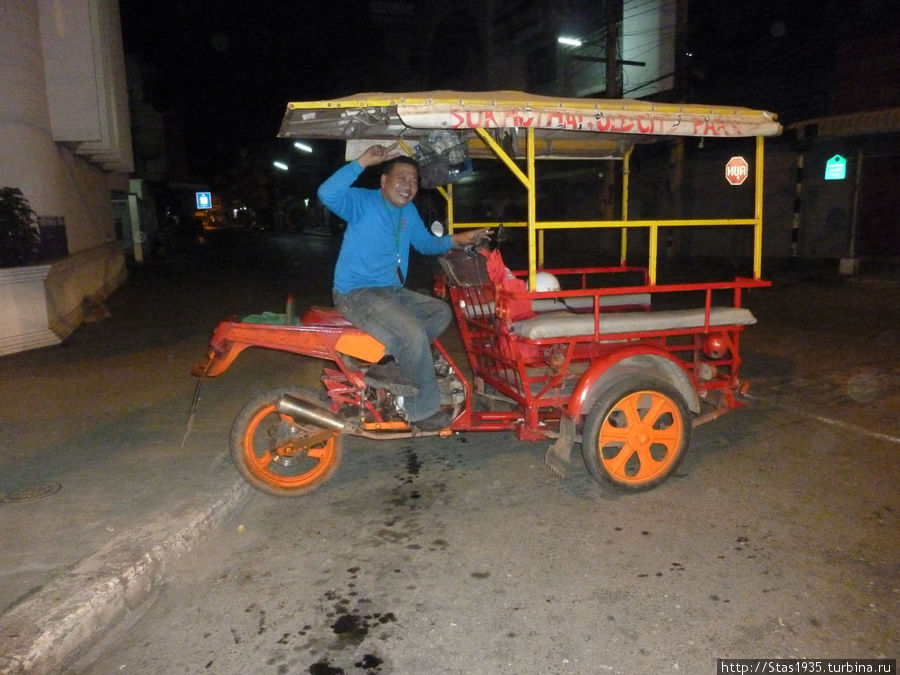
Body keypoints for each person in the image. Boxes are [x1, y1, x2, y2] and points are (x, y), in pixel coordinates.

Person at [318, 144, 490, 431]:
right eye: (401, 179)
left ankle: (392, 364)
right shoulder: (362, 202)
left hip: (391, 292)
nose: (408, 186)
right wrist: (362, 162)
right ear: (384, 181)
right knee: (411, 334)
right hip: (356, 292)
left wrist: (459, 239)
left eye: (413, 181)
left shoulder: (408, 212)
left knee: (440, 312)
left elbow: (425, 243)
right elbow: (326, 193)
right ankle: (422, 412)